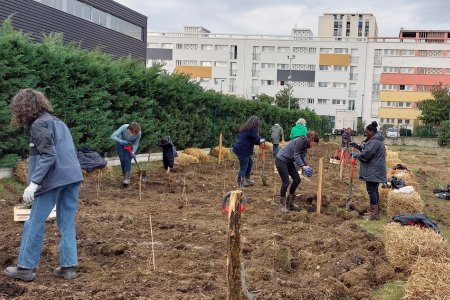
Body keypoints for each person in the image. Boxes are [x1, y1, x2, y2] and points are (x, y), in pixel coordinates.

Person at [4, 89, 83, 281]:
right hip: (72, 177)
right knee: (66, 221)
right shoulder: (59, 122)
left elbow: (48, 156)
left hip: (53, 179)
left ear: (24, 107)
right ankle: (68, 267)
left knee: (34, 222)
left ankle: (26, 268)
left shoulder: (39, 125)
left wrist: (33, 184)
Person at [350, 121, 387, 220]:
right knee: (374, 190)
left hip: (374, 170)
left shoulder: (374, 141)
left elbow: (367, 153)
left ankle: (374, 214)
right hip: (375, 169)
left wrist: (356, 155)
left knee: (371, 191)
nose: (365, 134)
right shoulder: (373, 139)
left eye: (367, 132)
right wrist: (357, 146)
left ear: (372, 131)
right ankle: (374, 212)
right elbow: (365, 147)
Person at [275, 131, 319, 213]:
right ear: (312, 140)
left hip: (288, 161)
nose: (314, 146)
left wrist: (306, 166)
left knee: (297, 179)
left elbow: (301, 156)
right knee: (286, 182)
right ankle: (282, 206)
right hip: (281, 160)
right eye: (314, 144)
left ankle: (290, 203)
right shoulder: (301, 141)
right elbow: (296, 154)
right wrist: (303, 166)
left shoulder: (306, 144)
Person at [232, 116, 265, 188]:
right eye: (258, 122)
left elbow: (252, 140)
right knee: (243, 167)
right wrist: (263, 140)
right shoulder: (252, 129)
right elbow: (257, 140)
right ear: (256, 123)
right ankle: (240, 183)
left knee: (250, 162)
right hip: (243, 150)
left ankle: (247, 179)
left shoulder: (245, 128)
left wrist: (259, 142)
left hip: (239, 148)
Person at [111, 122, 142, 186]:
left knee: (127, 159)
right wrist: (121, 141)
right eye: (131, 132)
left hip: (130, 146)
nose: (132, 134)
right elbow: (113, 136)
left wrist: (133, 151)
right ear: (129, 129)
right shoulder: (124, 127)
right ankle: (124, 175)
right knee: (122, 160)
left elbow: (135, 143)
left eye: (134, 133)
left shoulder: (138, 133)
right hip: (121, 144)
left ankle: (126, 178)